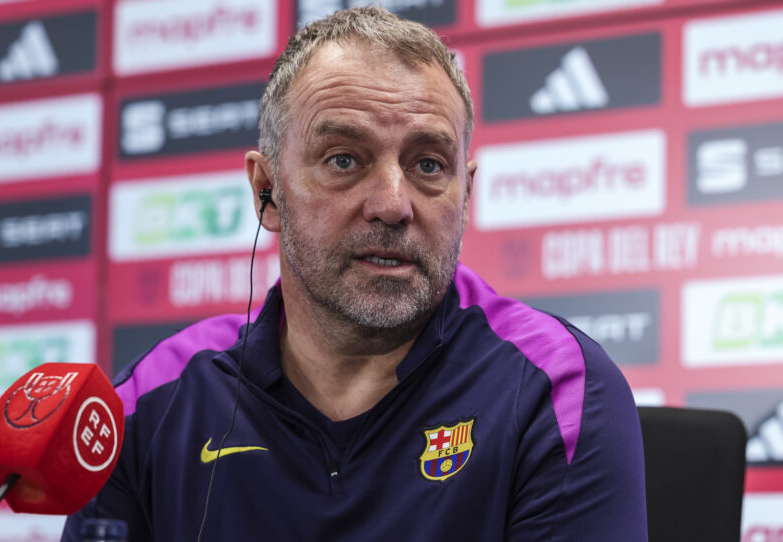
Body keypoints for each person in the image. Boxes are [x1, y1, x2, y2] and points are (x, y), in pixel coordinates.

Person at [62, 6, 647, 541]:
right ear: (267, 191)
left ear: (466, 195)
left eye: (428, 165)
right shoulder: (146, 405)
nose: (393, 204)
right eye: (344, 159)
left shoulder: (556, 389)